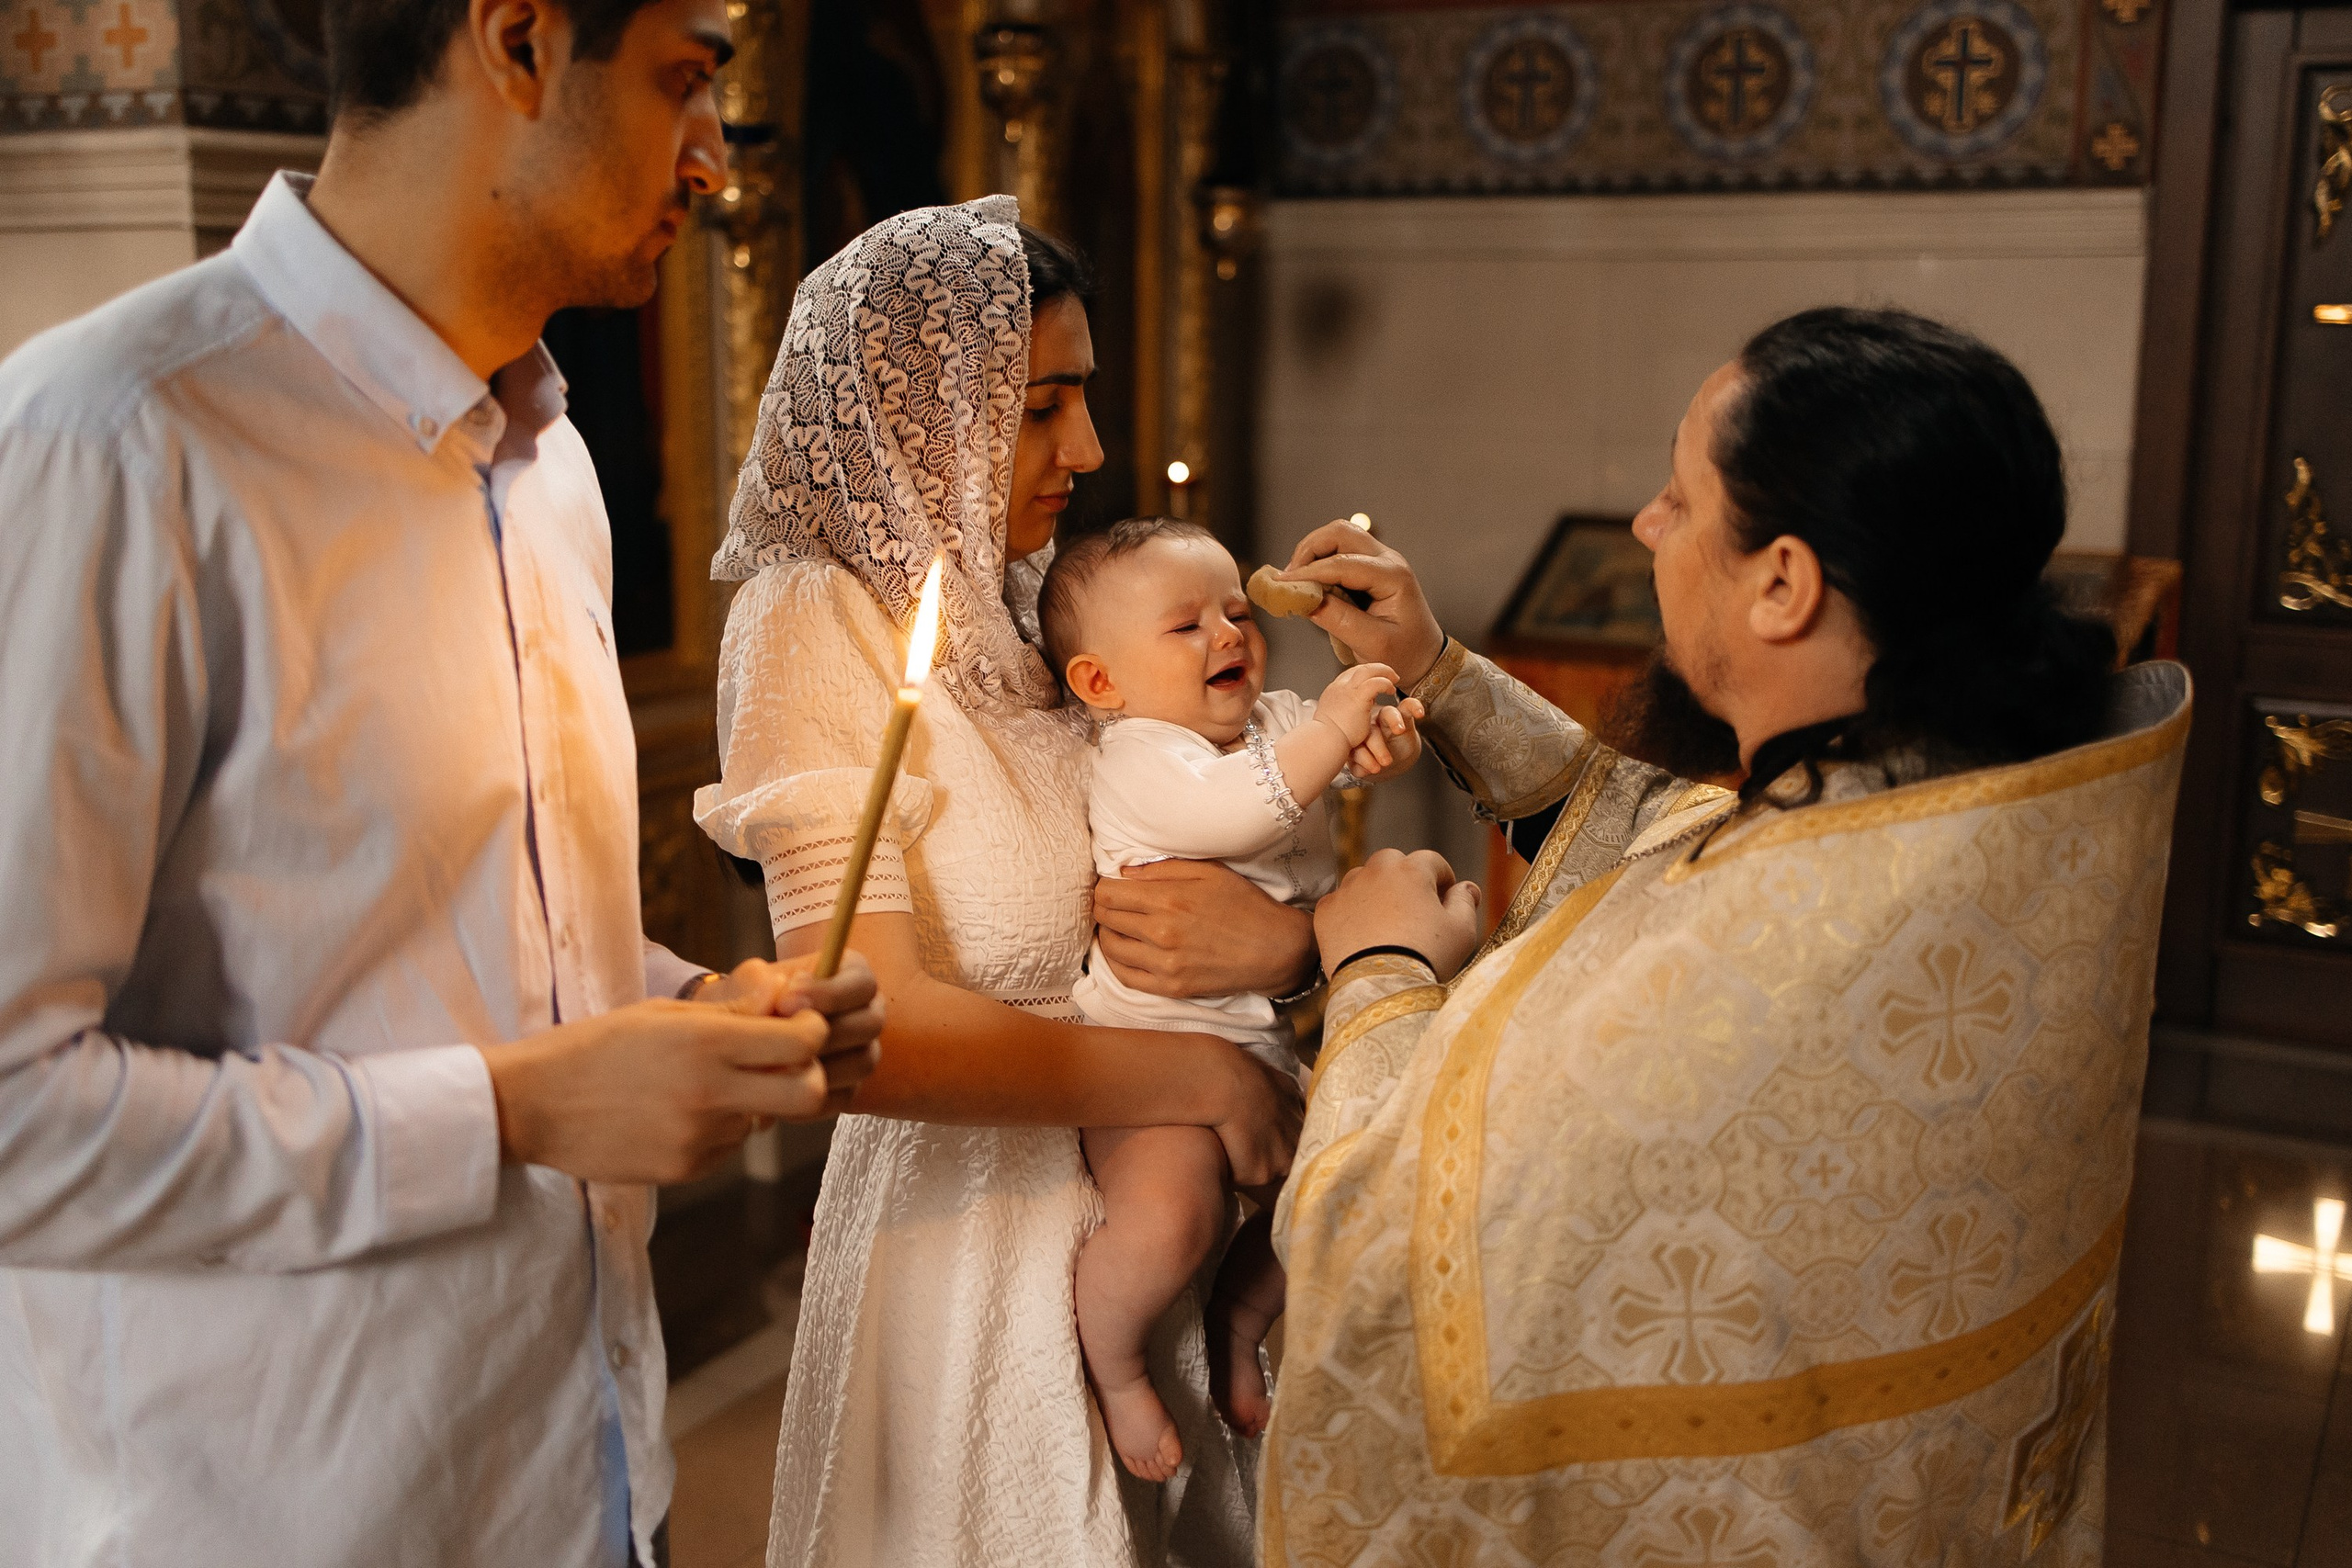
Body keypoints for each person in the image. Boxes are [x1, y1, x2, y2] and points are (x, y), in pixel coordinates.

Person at [0, 0, 885, 1562]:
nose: (716, 159)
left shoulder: (551, 470)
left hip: (583, 1476)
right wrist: (509, 1111)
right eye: (685, 81)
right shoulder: (117, 439)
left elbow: (449, 944)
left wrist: (677, 1005)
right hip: (286, 1509)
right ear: (521, 41)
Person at [1257, 307, 2191, 1564]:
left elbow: (1388, 1264)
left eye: (1681, 498)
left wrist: (1376, 968)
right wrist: (1436, 668)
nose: (1645, 524)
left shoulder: (1761, 969)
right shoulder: (1982, 799)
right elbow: (1678, 828)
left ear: (1784, 581)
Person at [694, 204, 1312, 1566]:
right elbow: (873, 1030)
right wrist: (1200, 1083)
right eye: (1043, 406)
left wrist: (1287, 943)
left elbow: (1176, 850)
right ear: (913, 411)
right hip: (968, 1226)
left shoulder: (1039, 596)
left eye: (1080, 399)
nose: (1086, 449)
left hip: (1150, 1209)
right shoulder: (813, 616)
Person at [1035, 515, 1424, 1481]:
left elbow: (1311, 745)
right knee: (1174, 1217)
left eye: (1236, 612)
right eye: (1187, 626)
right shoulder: (1136, 753)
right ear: (1101, 683)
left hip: (1252, 1036)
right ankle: (1118, 1365)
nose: (1228, 635)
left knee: (1336, 1194)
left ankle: (1240, 1317)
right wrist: (1332, 732)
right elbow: (1239, 807)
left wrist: (1379, 735)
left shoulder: (1267, 723)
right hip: (1147, 1054)